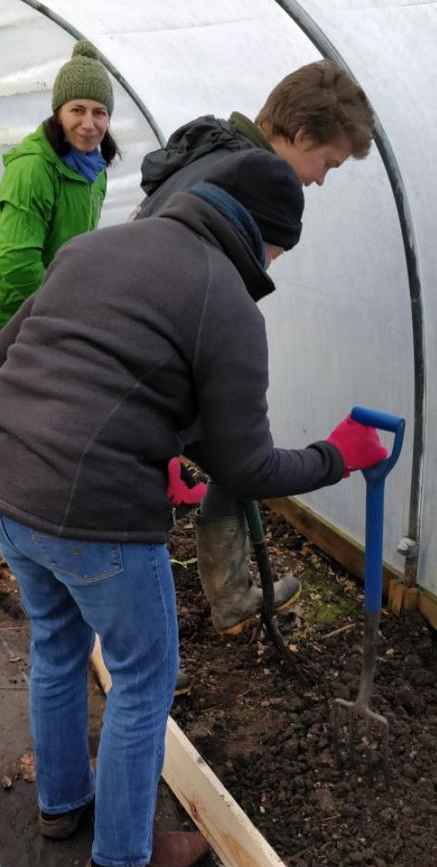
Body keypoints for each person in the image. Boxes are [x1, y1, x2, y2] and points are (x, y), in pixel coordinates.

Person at [0, 149, 387, 867]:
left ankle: (61, 804)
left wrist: (159, 446)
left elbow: (3, 357)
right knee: (144, 679)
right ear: (266, 237)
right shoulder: (227, 303)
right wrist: (336, 455)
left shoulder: (96, 246)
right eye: (284, 248)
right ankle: (122, 854)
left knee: (59, 647)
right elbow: (248, 468)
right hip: (92, 516)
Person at [134, 60, 375, 639]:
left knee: (228, 453)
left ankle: (232, 593)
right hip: (137, 394)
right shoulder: (248, 178)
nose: (319, 181)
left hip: (136, 369)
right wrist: (335, 457)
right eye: (327, 163)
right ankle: (165, 657)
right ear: (297, 135)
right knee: (234, 461)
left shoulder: (207, 154)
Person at [0, 40, 119, 551]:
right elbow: (17, 262)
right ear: (57, 113)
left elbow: (77, 245)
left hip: (40, 308)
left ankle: (2, 495)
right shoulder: (32, 169)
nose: (89, 123)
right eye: (77, 110)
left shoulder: (94, 169)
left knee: (26, 409)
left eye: (99, 111)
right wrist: (59, 314)